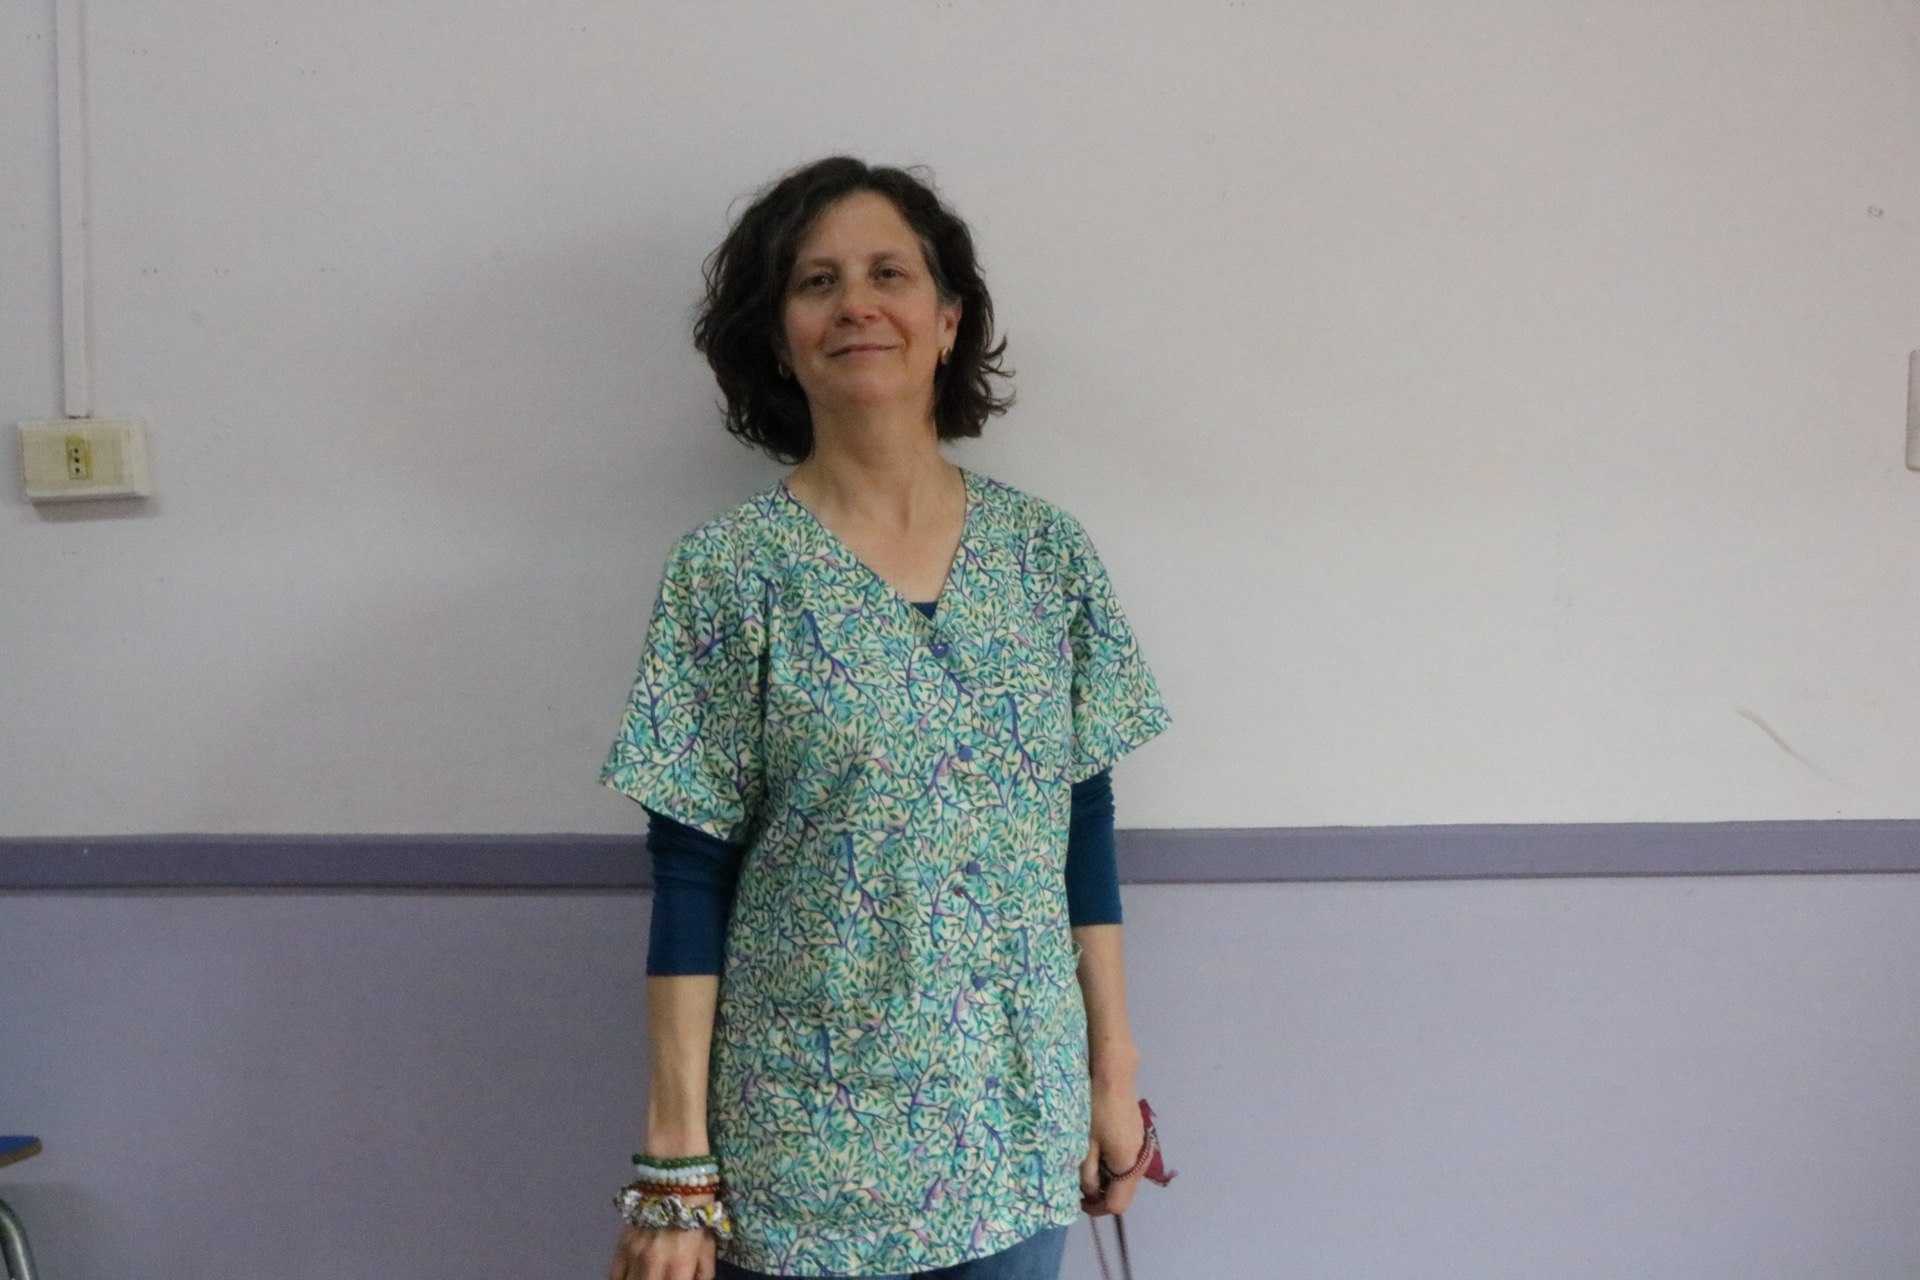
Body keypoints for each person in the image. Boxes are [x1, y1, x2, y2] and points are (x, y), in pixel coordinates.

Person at [601, 156, 1172, 1280]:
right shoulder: (730, 572)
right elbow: (689, 872)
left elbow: (1084, 824)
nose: (856, 303)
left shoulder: (1046, 556)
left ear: (948, 320)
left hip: (1015, 1128)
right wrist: (675, 1165)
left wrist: (1113, 1076)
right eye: (816, 282)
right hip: (800, 1141)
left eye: (888, 274)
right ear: (779, 338)